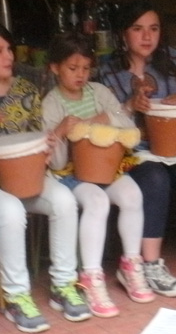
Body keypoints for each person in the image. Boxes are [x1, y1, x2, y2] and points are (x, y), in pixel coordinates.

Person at [0, 20, 86, 333]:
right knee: (11, 211)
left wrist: (46, 146)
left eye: (9, 49)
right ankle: (16, 296)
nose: (8, 56)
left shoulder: (26, 91)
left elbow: (37, 135)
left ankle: (64, 284)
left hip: (28, 175)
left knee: (64, 200)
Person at [97, 0, 176, 297]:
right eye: (137, 29)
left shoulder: (173, 58)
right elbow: (100, 117)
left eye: (153, 29)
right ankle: (150, 264)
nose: (147, 36)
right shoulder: (107, 71)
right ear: (123, 34)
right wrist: (130, 105)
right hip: (134, 151)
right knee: (155, 178)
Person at [42, 31, 147, 315]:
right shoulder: (51, 103)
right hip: (71, 173)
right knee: (97, 202)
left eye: (86, 68)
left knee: (133, 195)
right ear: (55, 68)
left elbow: (126, 123)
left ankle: (131, 263)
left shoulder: (99, 93)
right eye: (72, 68)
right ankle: (90, 275)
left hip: (106, 166)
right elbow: (53, 161)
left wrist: (105, 117)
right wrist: (60, 131)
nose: (81, 74)